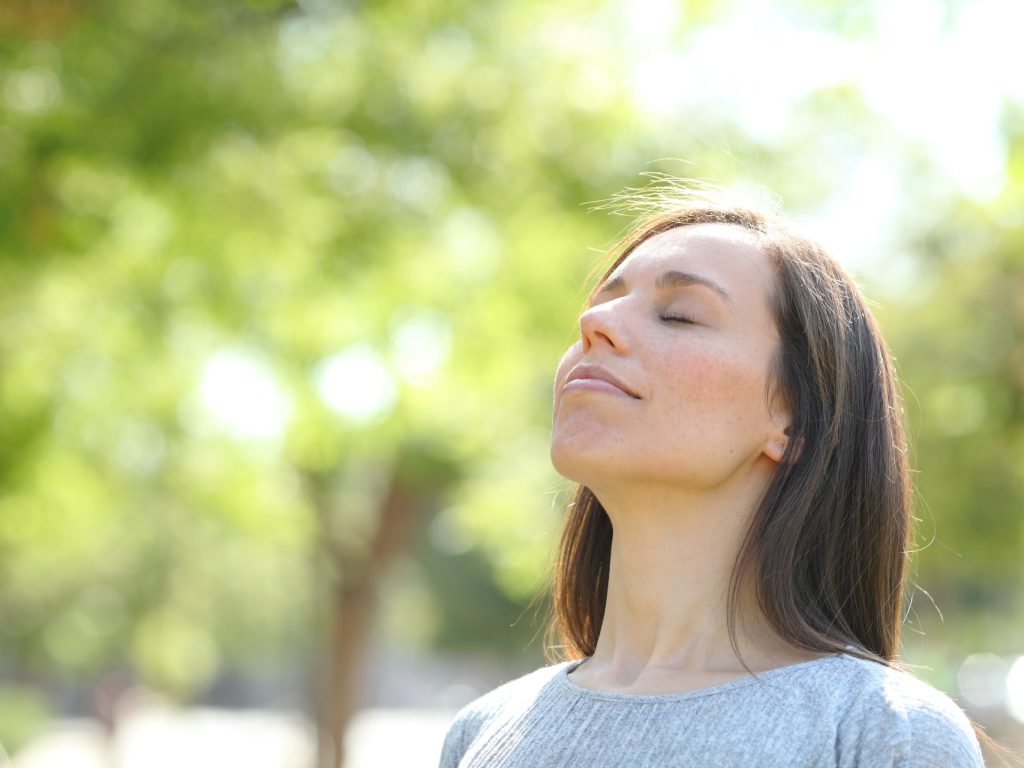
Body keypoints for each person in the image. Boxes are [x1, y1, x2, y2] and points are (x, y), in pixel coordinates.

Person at [438, 190, 986, 767]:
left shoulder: (882, 733)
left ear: (793, 418)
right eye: (602, 303)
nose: (594, 323)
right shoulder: (481, 732)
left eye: (679, 315)